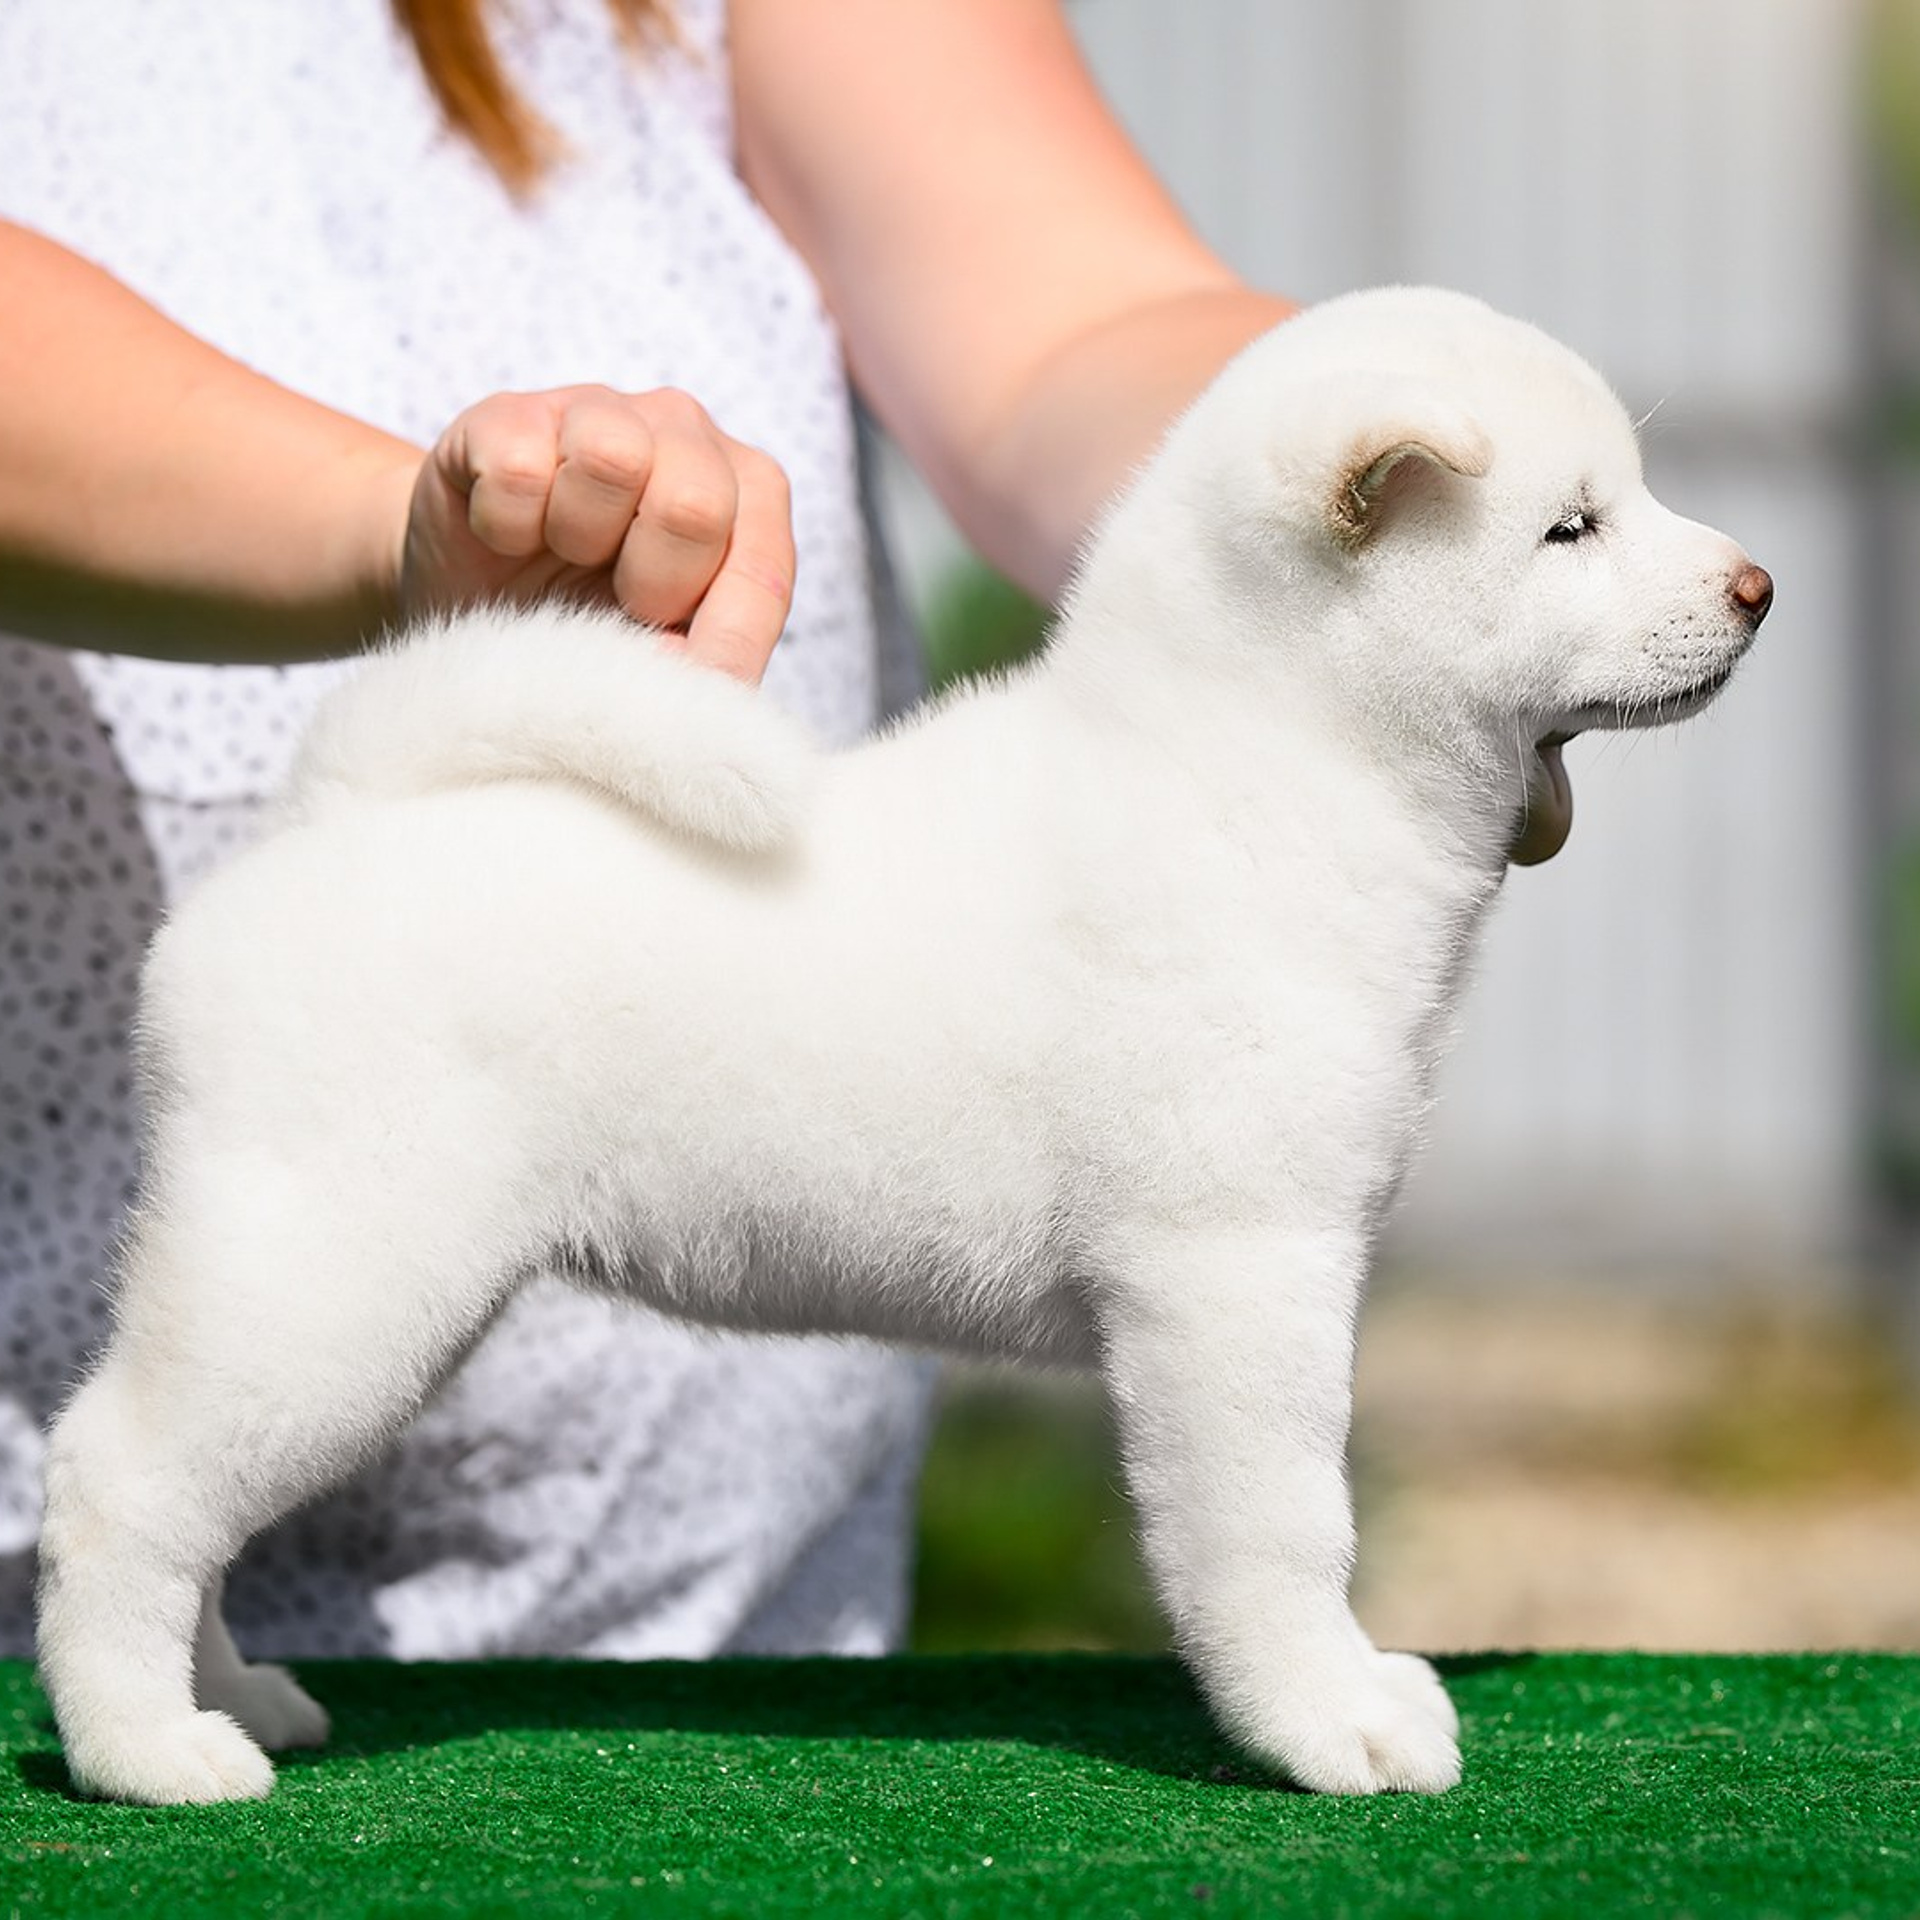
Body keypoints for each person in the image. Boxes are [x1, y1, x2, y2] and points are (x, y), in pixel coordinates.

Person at [0, 0, 1568, 1665]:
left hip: (743, 1598)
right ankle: (130, 1605)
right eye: (1576, 529)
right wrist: (400, 530)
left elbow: (1073, 322)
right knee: (268, 1352)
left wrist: (1322, 505)